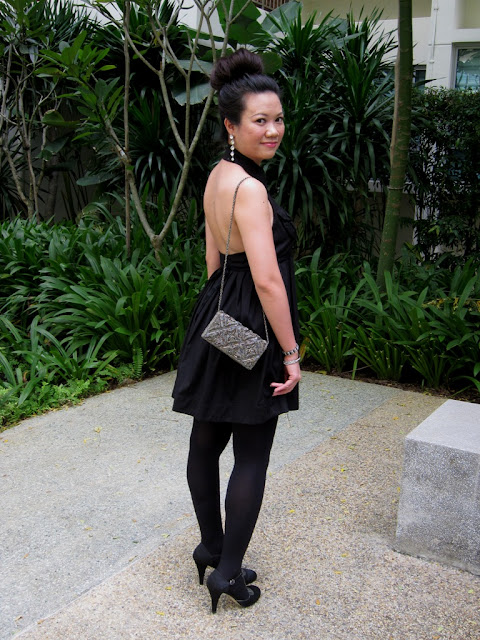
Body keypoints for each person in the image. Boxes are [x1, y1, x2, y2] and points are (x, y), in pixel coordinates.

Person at [172, 48, 301, 613]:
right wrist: (290, 353)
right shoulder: (251, 189)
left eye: (278, 119)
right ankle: (227, 574)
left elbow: (213, 257)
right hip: (254, 320)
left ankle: (211, 546)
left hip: (219, 313)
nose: (272, 130)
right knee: (252, 452)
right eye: (259, 121)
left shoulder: (218, 177)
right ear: (230, 125)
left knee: (206, 440)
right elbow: (269, 280)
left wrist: (222, 318)